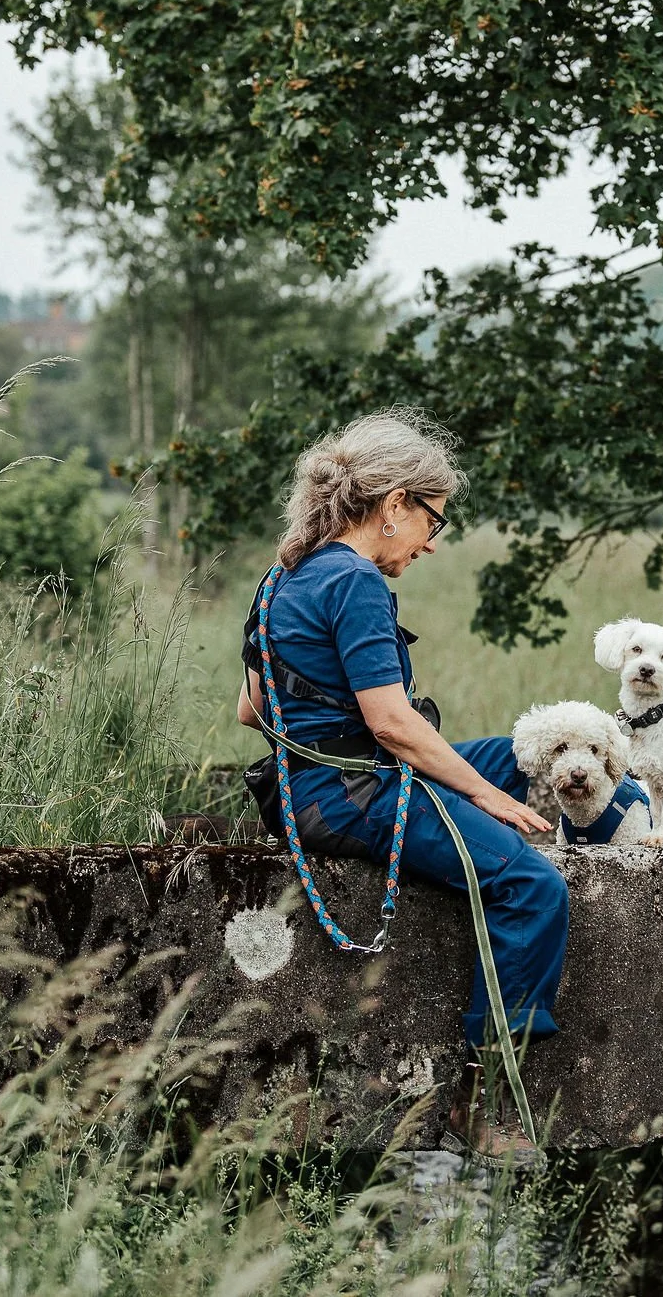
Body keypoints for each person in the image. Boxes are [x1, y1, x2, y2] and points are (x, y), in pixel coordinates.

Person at [237, 409, 562, 1147]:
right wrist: (481, 794)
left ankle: (623, 824)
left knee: (528, 754)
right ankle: (486, 1106)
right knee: (533, 886)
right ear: (393, 506)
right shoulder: (354, 581)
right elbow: (389, 723)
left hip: (313, 788)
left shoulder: (283, 571)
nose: (432, 542)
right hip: (354, 796)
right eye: (432, 521)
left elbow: (251, 710)